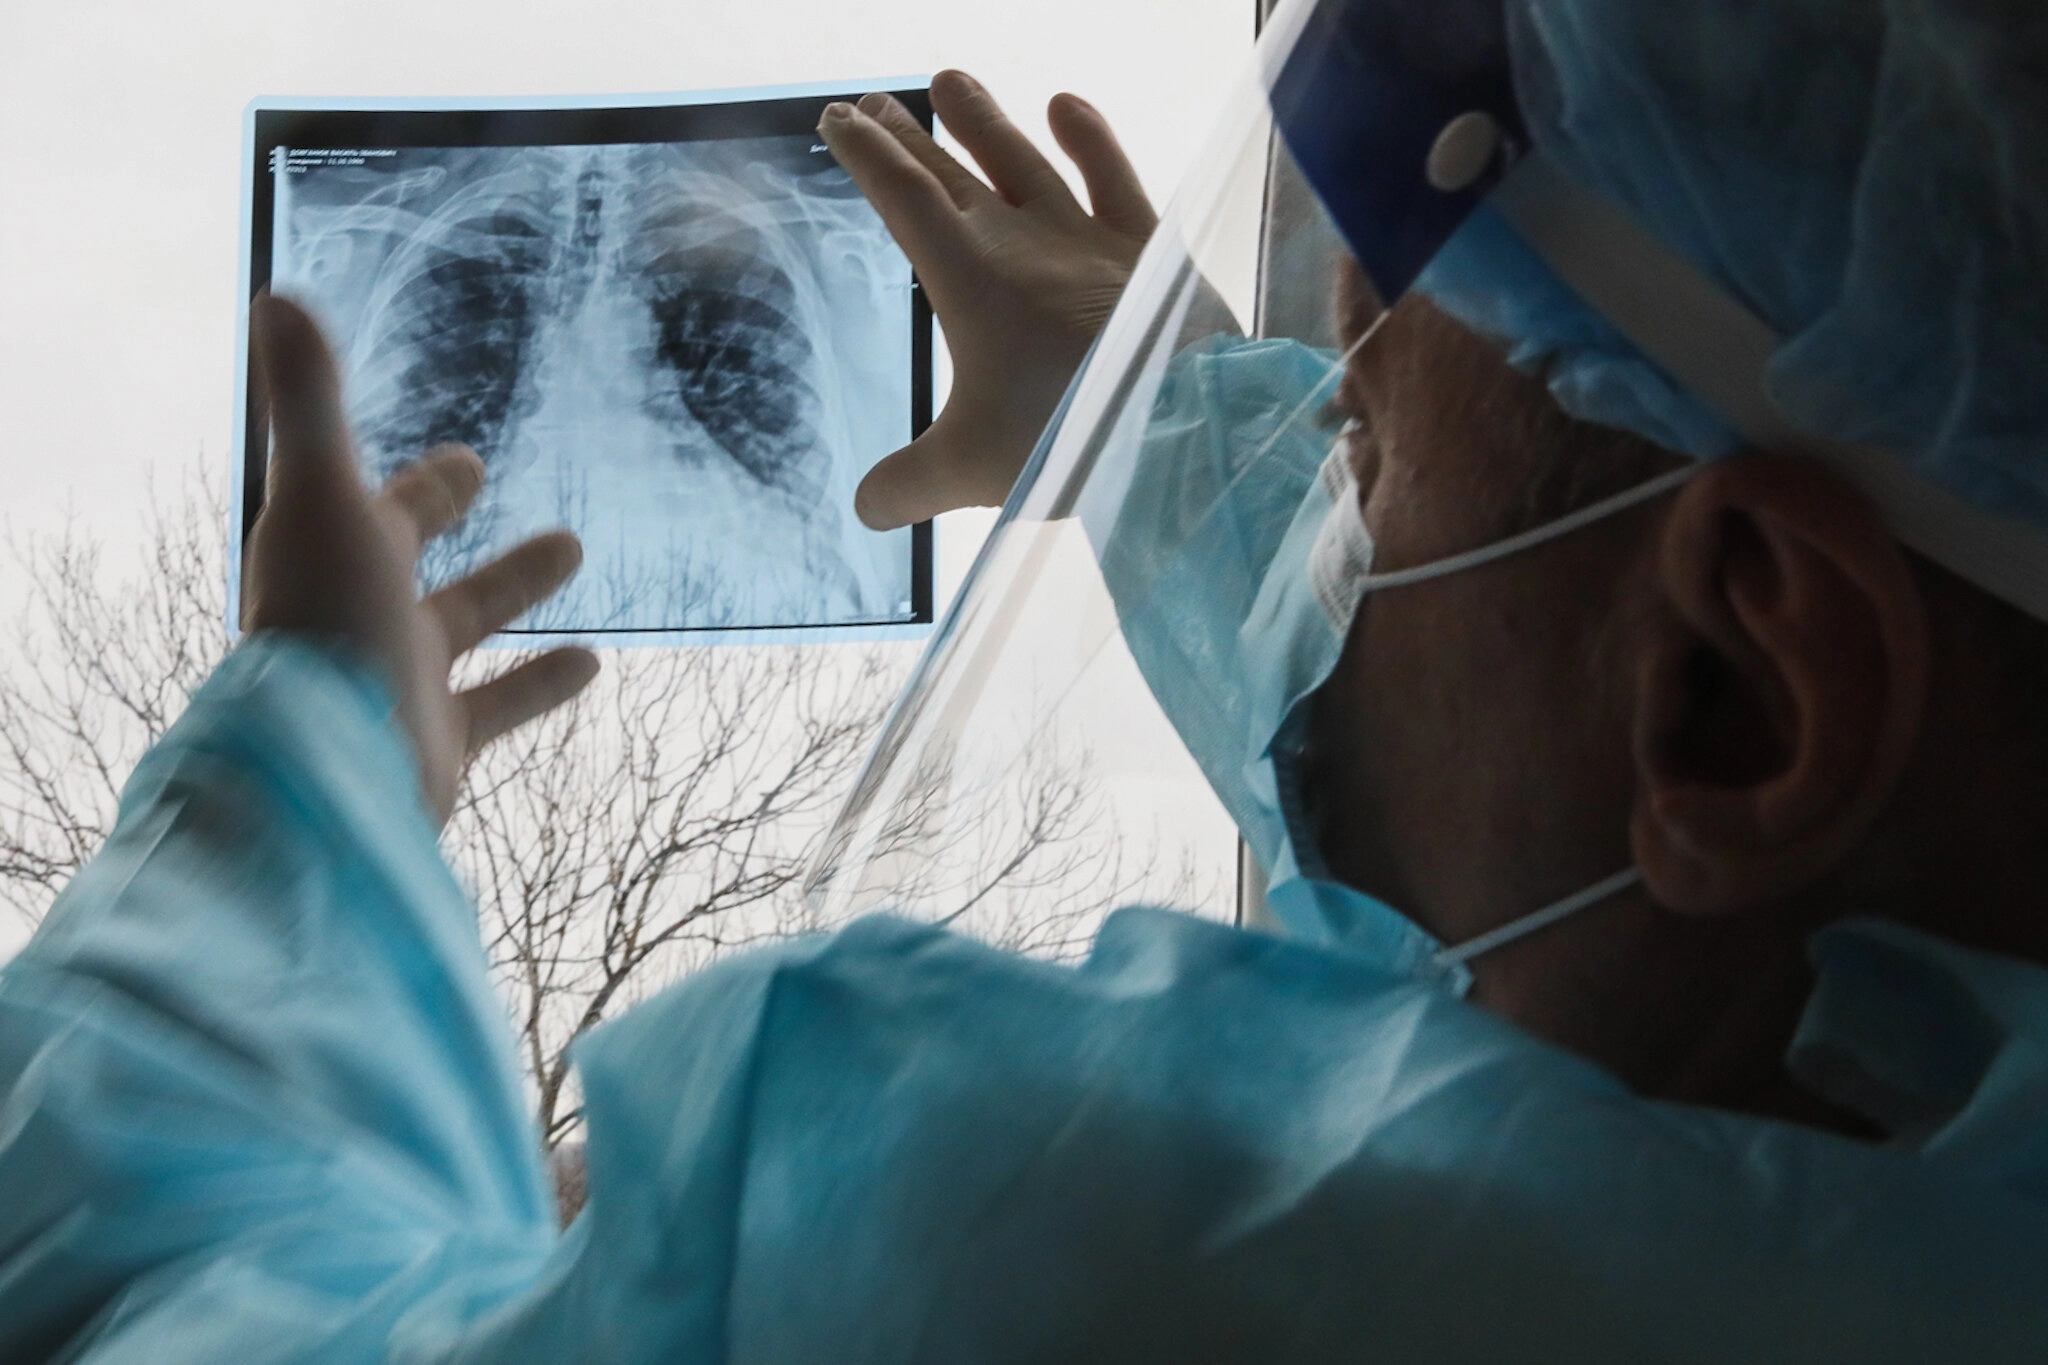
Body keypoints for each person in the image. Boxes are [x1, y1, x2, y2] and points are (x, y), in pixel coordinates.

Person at [4, 0, 2048, 1360]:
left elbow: (128, 1291)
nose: (1321, 580)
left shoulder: (1097, 1273)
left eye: (1354, 478)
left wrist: (296, 778)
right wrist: (1155, 422)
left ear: (1742, 694)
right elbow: (1562, 764)